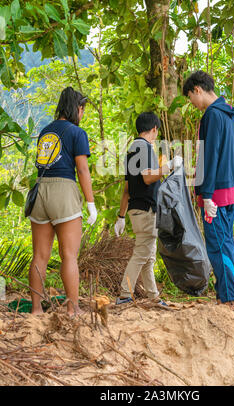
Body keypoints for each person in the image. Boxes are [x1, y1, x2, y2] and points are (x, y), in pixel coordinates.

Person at [28, 86, 97, 316]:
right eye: (82, 110)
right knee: (69, 255)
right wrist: (90, 203)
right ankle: (72, 308)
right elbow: (83, 170)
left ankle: (36, 310)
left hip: (40, 190)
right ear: (78, 109)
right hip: (63, 190)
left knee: (39, 255)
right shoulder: (77, 133)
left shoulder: (45, 131)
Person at [183, 71, 234, 314]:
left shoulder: (212, 115)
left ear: (198, 90)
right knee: (225, 243)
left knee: (219, 247)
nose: (192, 104)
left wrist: (206, 194)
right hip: (230, 191)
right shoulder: (230, 114)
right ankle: (225, 297)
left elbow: (209, 156)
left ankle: (229, 300)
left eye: (190, 98)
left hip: (215, 195)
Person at [114, 111, 182, 305]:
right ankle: (125, 294)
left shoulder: (131, 150)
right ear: (154, 129)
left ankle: (153, 296)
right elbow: (147, 177)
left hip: (137, 209)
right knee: (142, 254)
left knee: (148, 256)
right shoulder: (143, 148)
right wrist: (169, 166)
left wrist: (121, 216)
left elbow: (127, 188)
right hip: (145, 210)